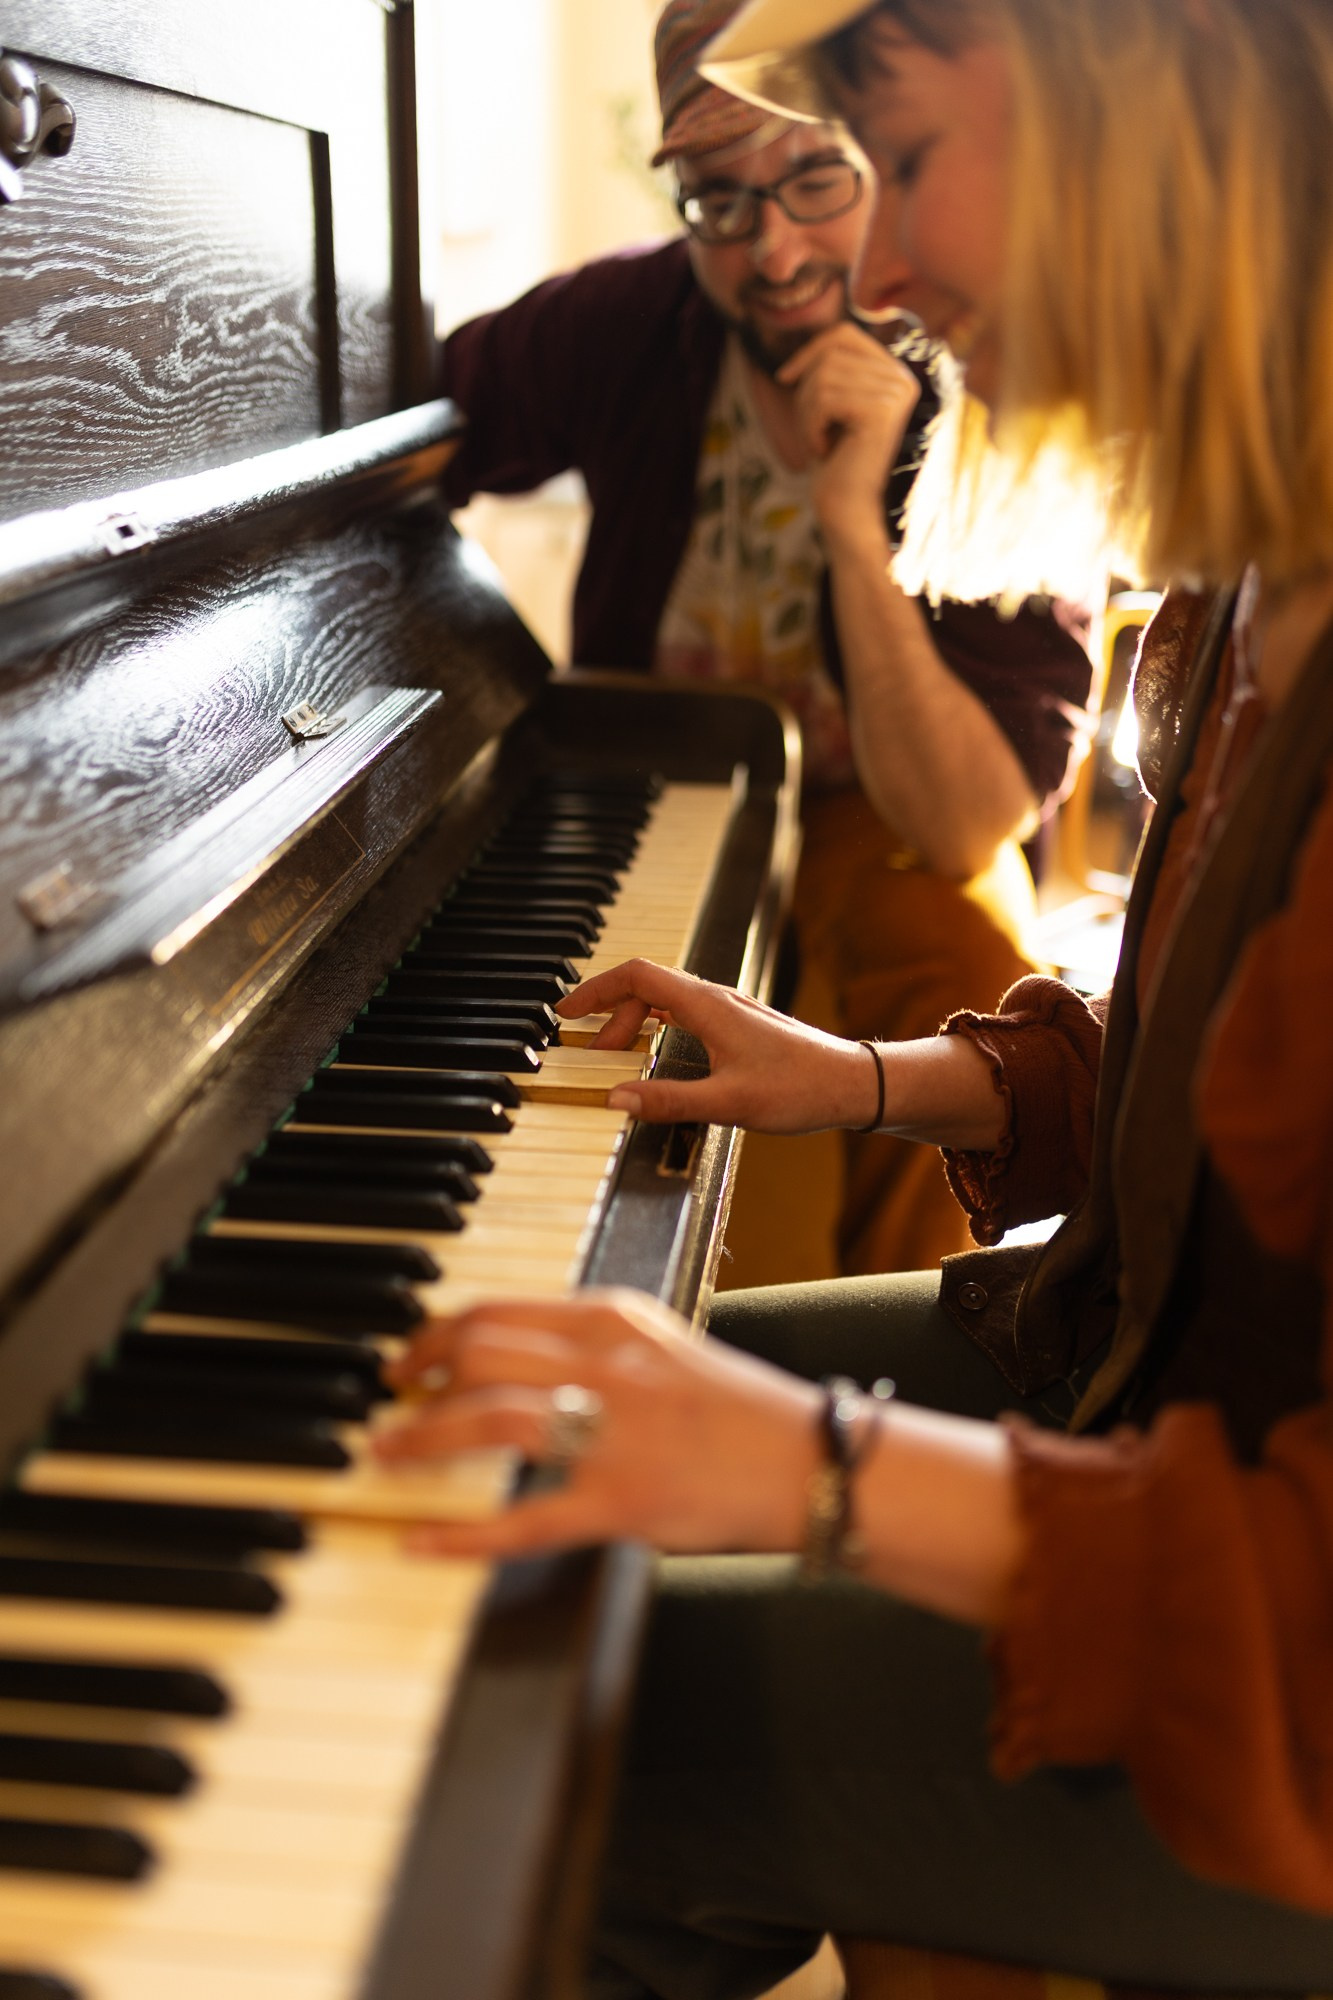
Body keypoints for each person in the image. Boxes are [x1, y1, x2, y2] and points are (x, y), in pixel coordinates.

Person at [377, 0, 1333, 1991]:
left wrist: (817, 1478)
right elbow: (1222, 1078)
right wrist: (878, 1084)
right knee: (550, 1452)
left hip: (1270, 1663)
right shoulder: (1265, 558)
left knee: (465, 1738)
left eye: (884, 155)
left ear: (1137, 112)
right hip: (1158, 1382)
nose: (864, 266)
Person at [437, 0, 1094, 1280]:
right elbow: (392, 443)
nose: (774, 248)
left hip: (889, 826)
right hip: (659, 786)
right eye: (717, 200)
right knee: (676, 1127)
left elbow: (962, 821)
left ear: (888, 161)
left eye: (813, 175)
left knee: (964, 967)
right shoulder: (627, 325)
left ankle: (903, 1346)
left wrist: (857, 533)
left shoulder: (990, 352)